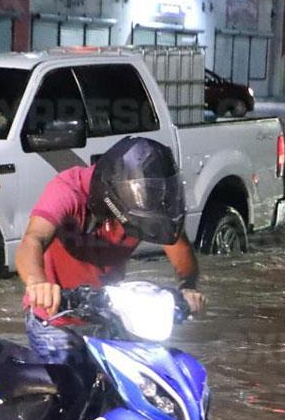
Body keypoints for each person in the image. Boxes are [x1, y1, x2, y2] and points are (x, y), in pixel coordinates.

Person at [16, 136, 205, 363]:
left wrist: (188, 289)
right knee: (71, 389)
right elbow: (33, 239)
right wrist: (37, 284)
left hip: (110, 312)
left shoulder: (152, 205)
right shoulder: (68, 191)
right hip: (55, 318)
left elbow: (179, 250)